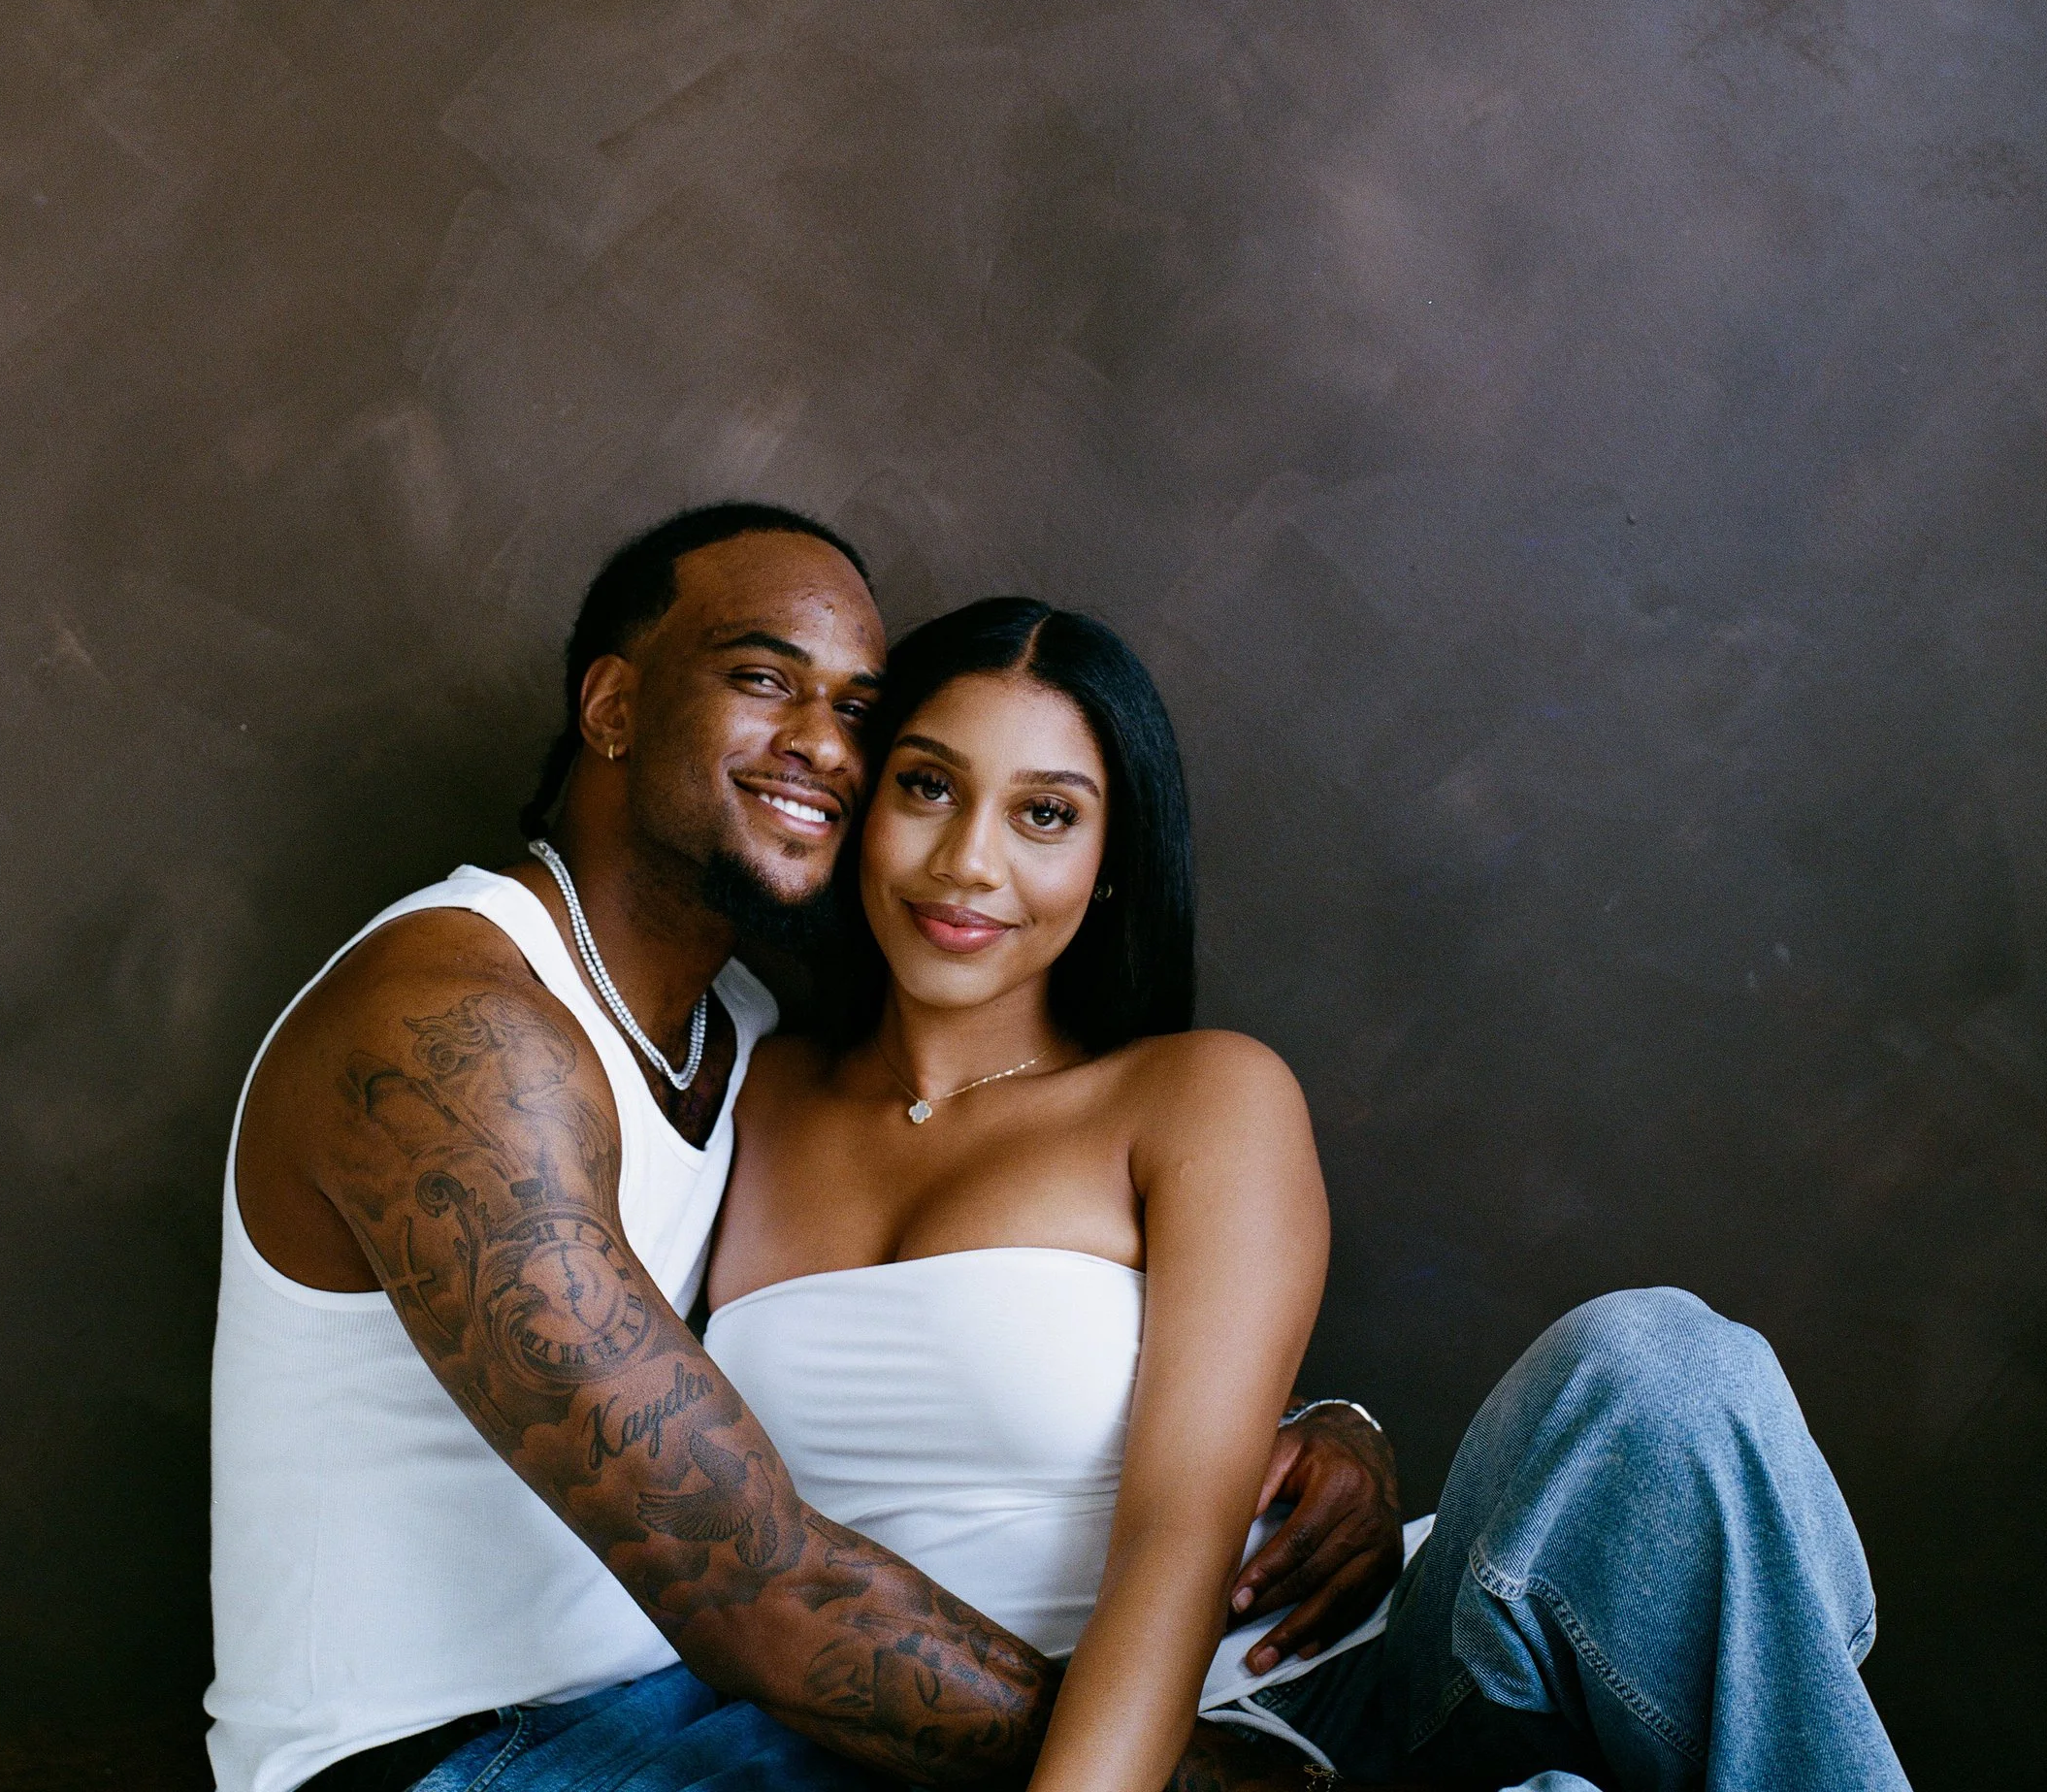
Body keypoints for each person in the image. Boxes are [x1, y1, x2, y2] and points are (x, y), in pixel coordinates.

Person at [207, 504, 1375, 1792]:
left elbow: (982, 1358)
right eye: (763, 679)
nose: (821, 744)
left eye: (860, 714)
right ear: (612, 709)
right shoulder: (454, 1034)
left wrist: (1310, 1428)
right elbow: (750, 1577)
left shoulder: (735, 1043)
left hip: (702, 1715)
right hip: (464, 1755)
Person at [702, 595, 1916, 1792]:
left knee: (1659, 1362)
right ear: (858, 799)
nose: (970, 860)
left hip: (1338, 1688)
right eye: (927, 785)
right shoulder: (734, 1081)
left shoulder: (1196, 1097)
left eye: (1044, 814)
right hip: (941, 1739)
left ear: (1111, 864)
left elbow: (1178, 1536)